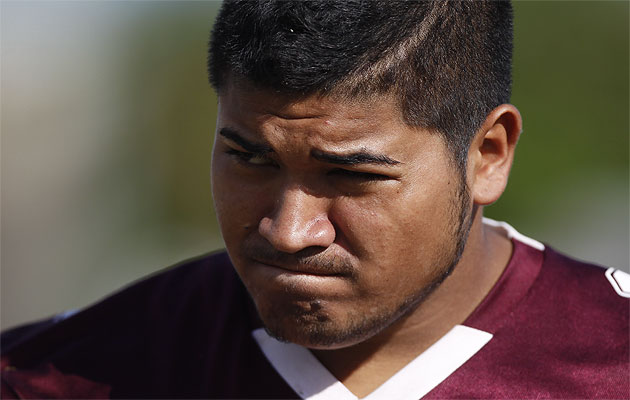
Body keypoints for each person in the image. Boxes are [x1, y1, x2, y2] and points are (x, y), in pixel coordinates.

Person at [2, 1, 628, 399]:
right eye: (250, 160)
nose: (288, 229)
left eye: (351, 175)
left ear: (488, 154)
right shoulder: (50, 376)